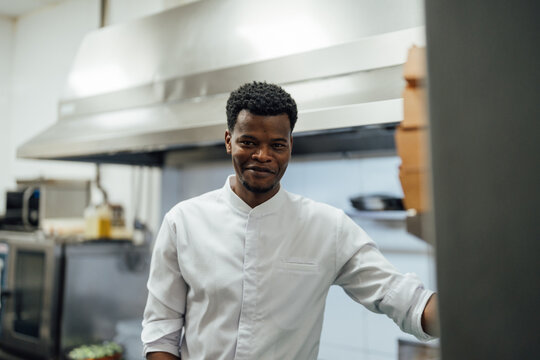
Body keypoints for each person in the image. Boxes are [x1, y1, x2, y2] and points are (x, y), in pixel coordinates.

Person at [141, 82, 439, 360]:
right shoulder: (183, 222)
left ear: (290, 146)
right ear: (229, 141)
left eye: (277, 145)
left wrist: (469, 311)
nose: (263, 155)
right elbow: (161, 331)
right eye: (249, 142)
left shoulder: (327, 226)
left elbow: (400, 297)